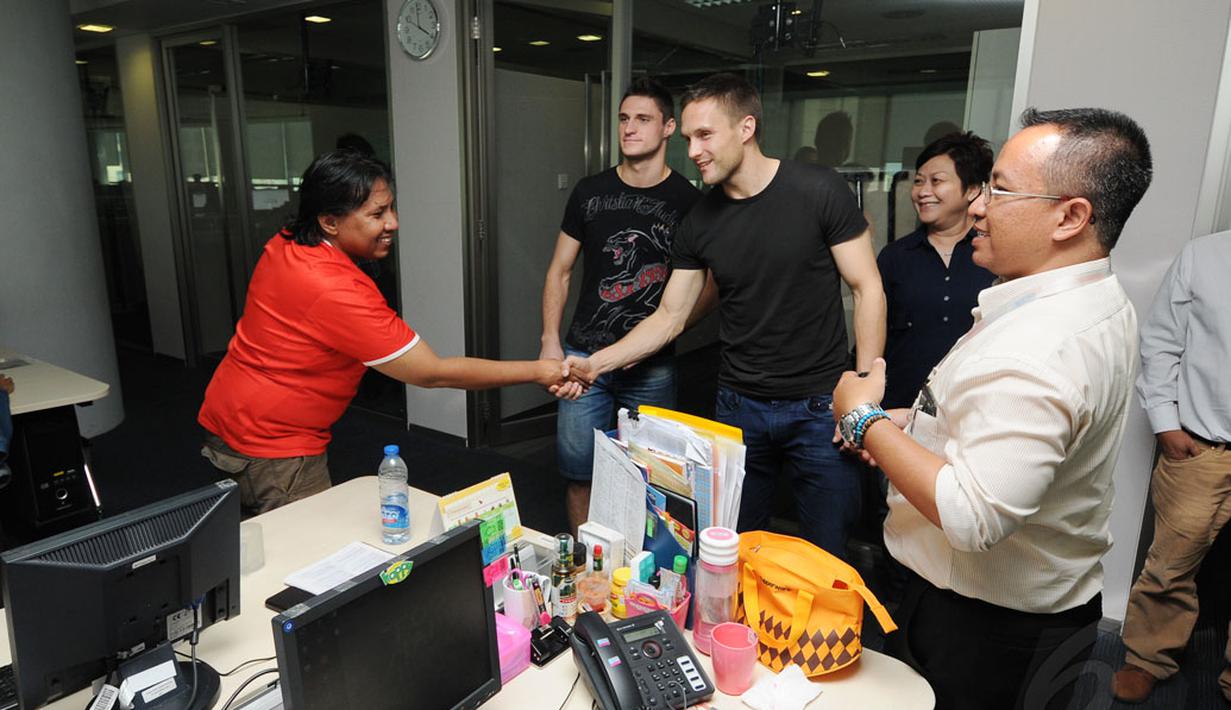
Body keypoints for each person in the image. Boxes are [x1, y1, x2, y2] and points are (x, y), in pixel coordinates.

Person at [832, 107, 1153, 708]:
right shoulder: (1093, 294)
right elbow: (1003, 430)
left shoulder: (1039, 346)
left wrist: (863, 419)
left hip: (987, 625)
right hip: (1032, 606)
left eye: (1001, 189)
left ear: (1070, 216)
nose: (978, 206)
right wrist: (910, 430)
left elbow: (971, 512)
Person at [561, 73, 885, 558]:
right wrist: (596, 362)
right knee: (735, 549)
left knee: (827, 552)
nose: (692, 150)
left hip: (819, 405)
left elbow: (867, 286)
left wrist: (863, 389)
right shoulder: (699, 220)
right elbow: (670, 316)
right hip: (739, 407)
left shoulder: (819, 189)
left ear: (746, 127)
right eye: (689, 137)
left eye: (704, 135)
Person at [199, 150, 570, 514]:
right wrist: (539, 371)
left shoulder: (289, 240)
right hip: (273, 445)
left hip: (230, 415)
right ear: (329, 221)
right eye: (377, 214)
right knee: (308, 559)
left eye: (391, 208)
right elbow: (431, 371)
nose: (393, 223)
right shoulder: (333, 288)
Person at [540, 78, 706, 534]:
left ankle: (638, 578)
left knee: (652, 477)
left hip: (652, 367)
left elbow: (709, 285)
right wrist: (549, 342)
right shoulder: (589, 192)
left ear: (669, 127)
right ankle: (584, 568)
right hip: (582, 355)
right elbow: (559, 270)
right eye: (624, 118)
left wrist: (674, 326)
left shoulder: (691, 202)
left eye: (643, 119)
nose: (630, 128)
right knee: (579, 472)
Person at [1113, 230, 1231, 704]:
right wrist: (1166, 423)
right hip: (1202, 446)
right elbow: (1161, 341)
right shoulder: (1205, 256)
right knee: (1169, 565)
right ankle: (1147, 660)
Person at [877, 131, 996, 410]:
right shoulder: (895, 257)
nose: (922, 191)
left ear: (972, 191)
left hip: (969, 411)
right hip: (896, 410)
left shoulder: (995, 257)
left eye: (936, 181)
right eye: (918, 181)